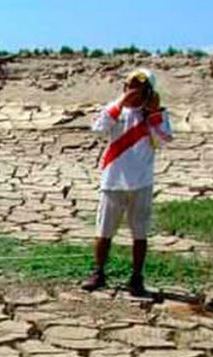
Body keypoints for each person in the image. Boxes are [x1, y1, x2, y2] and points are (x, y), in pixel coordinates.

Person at [82, 68, 173, 297]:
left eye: (139, 88)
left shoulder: (155, 115)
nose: (134, 91)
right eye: (130, 86)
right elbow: (98, 128)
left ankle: (136, 278)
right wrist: (121, 103)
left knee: (140, 233)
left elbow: (163, 140)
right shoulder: (115, 110)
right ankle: (99, 272)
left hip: (141, 183)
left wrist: (153, 114)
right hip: (113, 181)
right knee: (104, 231)